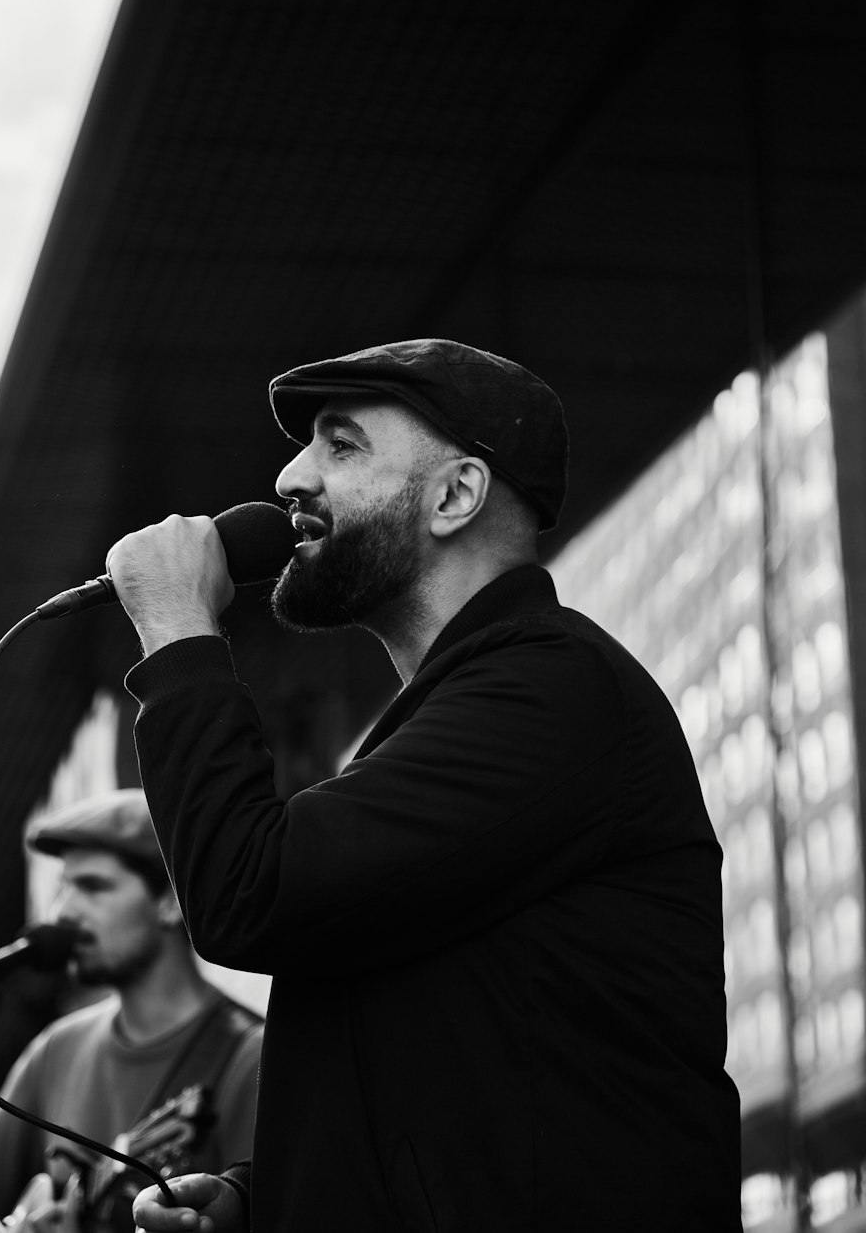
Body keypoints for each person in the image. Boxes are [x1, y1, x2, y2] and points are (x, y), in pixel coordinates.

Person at [105, 338, 741, 1232]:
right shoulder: (455, 722)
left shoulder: (553, 691)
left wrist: (177, 634)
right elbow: (449, 1076)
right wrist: (267, 1196)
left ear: (454, 496)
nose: (290, 477)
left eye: (342, 444)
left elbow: (252, 890)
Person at [0, 789, 262, 1233]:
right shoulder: (57, 1050)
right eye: (64, 887)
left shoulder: (253, 1058)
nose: (63, 912)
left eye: (93, 886)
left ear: (171, 901)